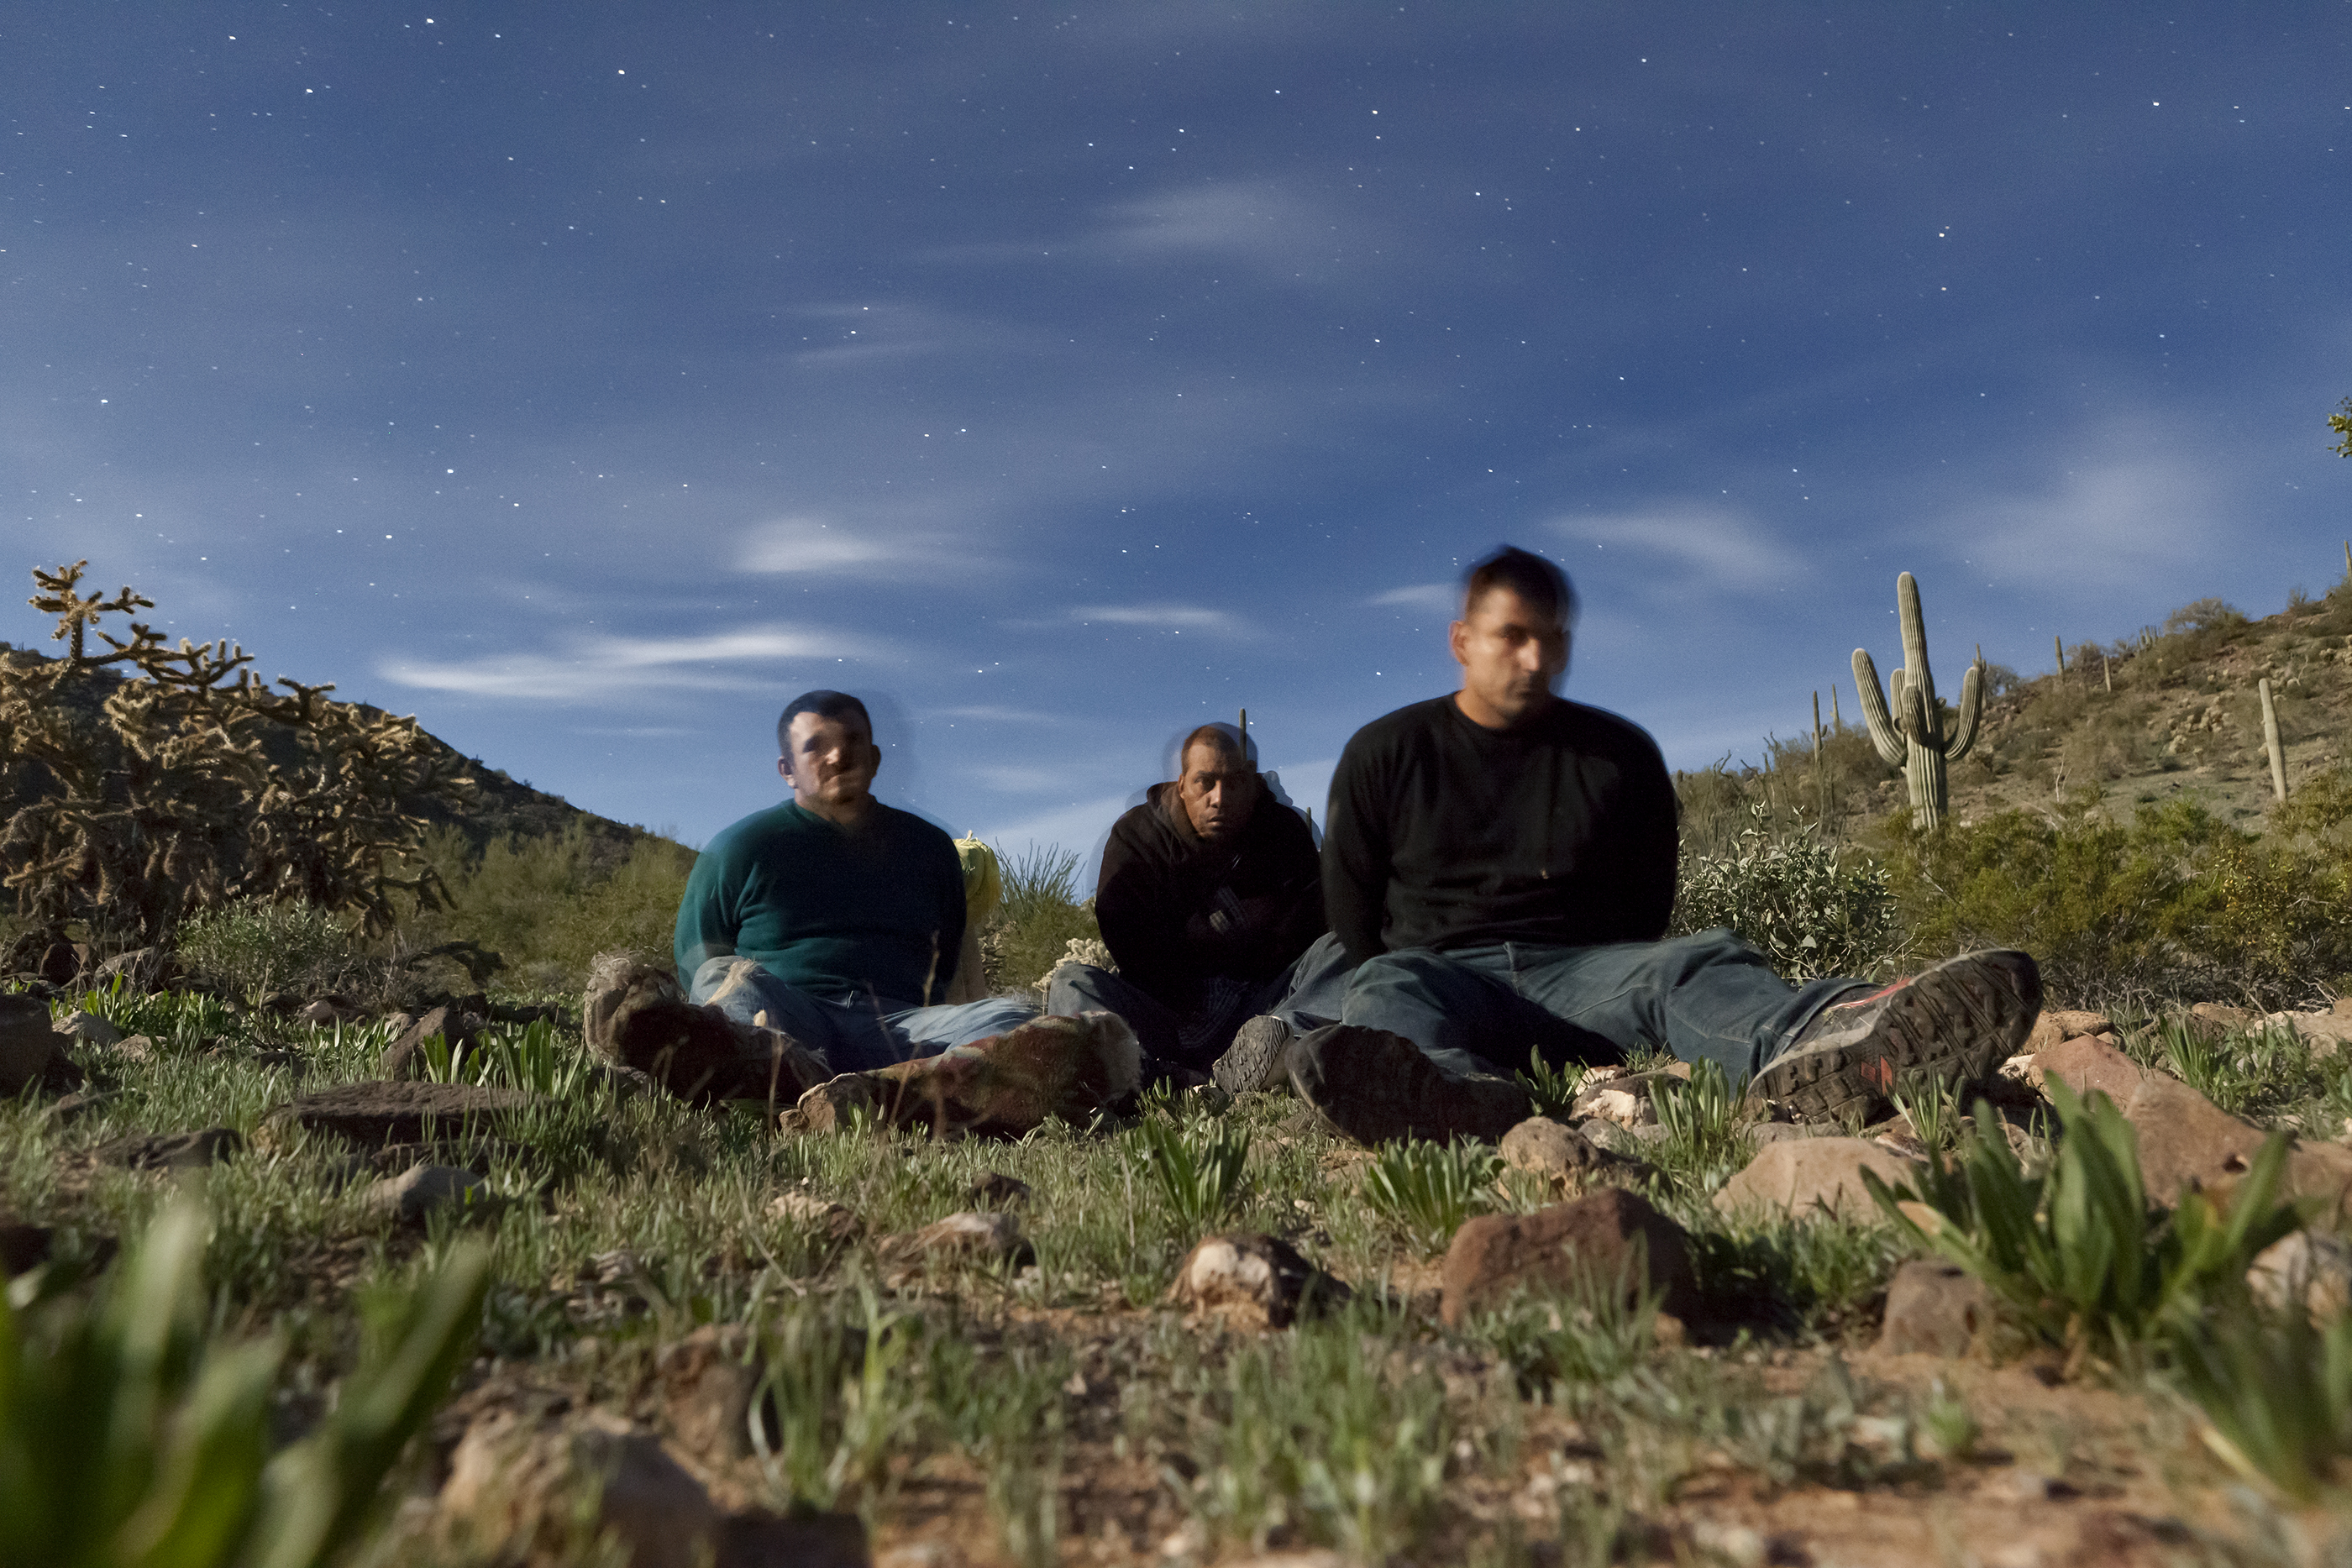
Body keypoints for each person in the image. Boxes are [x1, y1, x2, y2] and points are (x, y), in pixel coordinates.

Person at [1223, 545, 2041, 1146]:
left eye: (1551, 638)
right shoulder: (1385, 751)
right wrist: (1406, 962)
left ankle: (1827, 1042)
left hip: (1584, 974)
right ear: (1461, 640)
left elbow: (1647, 903)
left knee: (1693, 961)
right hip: (1438, 970)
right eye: (1511, 635)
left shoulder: (1618, 755)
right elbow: (1351, 904)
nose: (1535, 658)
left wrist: (1605, 972)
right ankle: (1449, 1094)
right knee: (1387, 987)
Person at [585, 690, 1137, 1121]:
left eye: (852, 742)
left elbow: (943, 967)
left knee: (1015, 1018)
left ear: (873, 757)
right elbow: (697, 956)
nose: (837, 755)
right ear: (786, 768)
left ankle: (879, 1087)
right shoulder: (740, 848)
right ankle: (839, 1081)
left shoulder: (929, 849)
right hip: (785, 1016)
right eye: (816, 746)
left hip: (898, 1025)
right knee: (724, 976)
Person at [1047, 722, 1352, 1083]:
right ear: (1182, 785)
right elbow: (1132, 946)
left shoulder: (1284, 832)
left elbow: (1308, 925)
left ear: (1252, 785)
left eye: (1234, 783)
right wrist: (1215, 934)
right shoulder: (1136, 838)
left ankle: (1278, 1047)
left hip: (1265, 1006)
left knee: (1349, 945)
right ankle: (1142, 1071)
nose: (1219, 798)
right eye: (1205, 782)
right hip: (1168, 1012)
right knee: (1071, 982)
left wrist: (1221, 938)